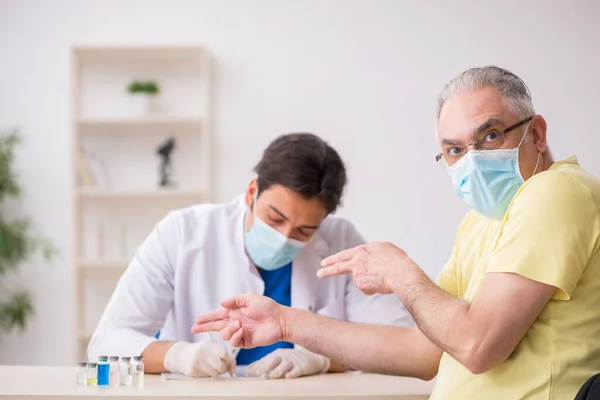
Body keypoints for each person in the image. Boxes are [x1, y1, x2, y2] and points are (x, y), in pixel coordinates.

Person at [193, 66, 600, 399]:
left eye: (490, 135)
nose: (472, 161)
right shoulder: (481, 220)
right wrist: (287, 324)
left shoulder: (556, 190)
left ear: (538, 134)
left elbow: (477, 346)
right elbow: (424, 353)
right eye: (455, 150)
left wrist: (403, 275)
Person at [88, 133, 412, 379]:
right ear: (251, 191)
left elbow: (397, 347)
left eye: (303, 231)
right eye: (275, 218)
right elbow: (106, 344)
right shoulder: (182, 233)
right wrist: (177, 356)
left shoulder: (341, 241)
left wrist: (323, 359)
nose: (284, 238)